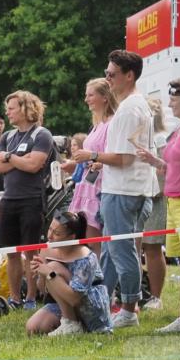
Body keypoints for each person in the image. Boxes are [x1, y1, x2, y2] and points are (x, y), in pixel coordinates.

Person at [73, 50, 155, 329]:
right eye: (106, 74)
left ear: (128, 76)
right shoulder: (132, 106)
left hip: (124, 190)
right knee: (112, 252)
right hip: (123, 188)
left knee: (121, 252)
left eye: (112, 74)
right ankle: (105, 303)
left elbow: (124, 158)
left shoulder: (130, 109)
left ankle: (130, 309)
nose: (107, 79)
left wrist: (92, 157)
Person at [0, 91, 56, 309]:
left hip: (32, 198)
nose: (7, 113)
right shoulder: (7, 137)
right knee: (11, 251)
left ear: (25, 108)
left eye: (11, 108)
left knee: (31, 251)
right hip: (8, 199)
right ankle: (14, 298)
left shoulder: (41, 134)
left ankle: (30, 297)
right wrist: (22, 159)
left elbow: (34, 165)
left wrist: (10, 157)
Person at [141, 77, 180, 336]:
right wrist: (154, 161)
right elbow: (173, 167)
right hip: (174, 202)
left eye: (173, 98)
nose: (169, 103)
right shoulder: (178, 131)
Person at [25, 212, 112, 336]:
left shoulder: (86, 256)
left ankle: (72, 324)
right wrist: (40, 272)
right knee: (33, 328)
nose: (49, 236)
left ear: (72, 237)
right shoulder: (47, 249)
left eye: (57, 233)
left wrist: (49, 272)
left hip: (89, 307)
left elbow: (74, 299)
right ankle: (70, 322)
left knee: (53, 266)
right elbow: (43, 290)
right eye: (50, 229)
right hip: (61, 303)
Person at [67, 79, 117, 257]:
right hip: (88, 183)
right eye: (86, 95)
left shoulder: (111, 124)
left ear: (104, 97)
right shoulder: (97, 124)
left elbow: (116, 156)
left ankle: (100, 277)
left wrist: (96, 161)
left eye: (90, 95)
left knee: (94, 237)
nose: (86, 99)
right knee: (87, 235)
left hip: (100, 186)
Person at [139, 98, 170, 310]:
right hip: (139, 198)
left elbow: (164, 172)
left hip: (155, 198)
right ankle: (141, 291)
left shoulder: (160, 139)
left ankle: (156, 296)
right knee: (138, 247)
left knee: (152, 247)